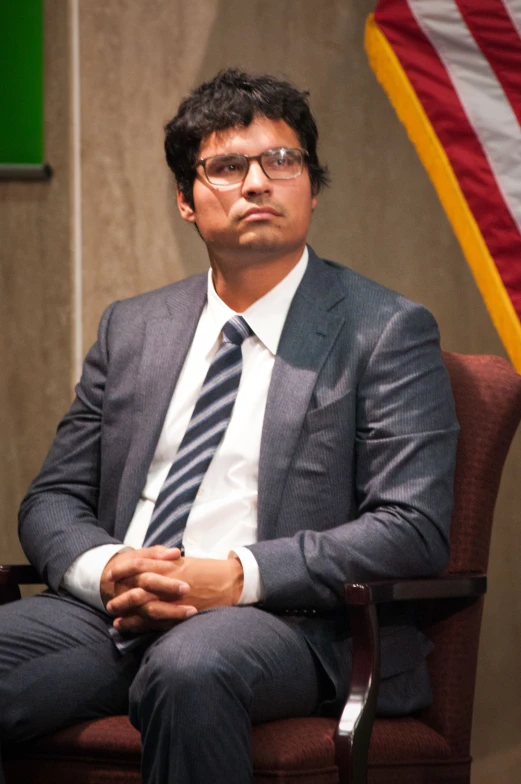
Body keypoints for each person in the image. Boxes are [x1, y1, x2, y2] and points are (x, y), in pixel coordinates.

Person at [0, 68, 459, 784]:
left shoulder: (385, 331)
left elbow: (412, 526)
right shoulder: (134, 328)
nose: (257, 183)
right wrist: (108, 567)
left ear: (310, 186)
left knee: (192, 666)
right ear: (186, 200)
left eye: (281, 161)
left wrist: (237, 577)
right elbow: (52, 499)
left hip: (287, 622)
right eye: (225, 166)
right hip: (113, 612)